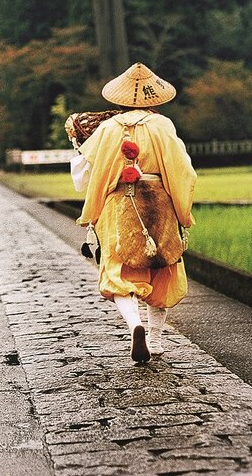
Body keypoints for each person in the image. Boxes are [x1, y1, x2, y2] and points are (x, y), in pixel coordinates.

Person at [67, 62, 196, 364]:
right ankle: (155, 339)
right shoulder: (163, 126)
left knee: (118, 271)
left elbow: (85, 171)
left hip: (118, 206)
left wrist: (92, 208)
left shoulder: (108, 128)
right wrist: (183, 212)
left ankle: (133, 324)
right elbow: (183, 171)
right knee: (161, 267)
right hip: (158, 200)